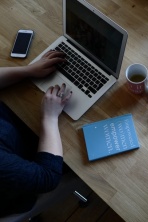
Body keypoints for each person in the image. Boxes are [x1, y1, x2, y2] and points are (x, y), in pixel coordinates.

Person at [0, 50, 72, 216]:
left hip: (12, 125)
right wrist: (50, 117)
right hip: (22, 182)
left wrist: (27, 70)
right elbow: (48, 177)